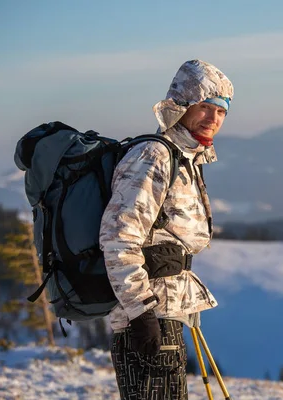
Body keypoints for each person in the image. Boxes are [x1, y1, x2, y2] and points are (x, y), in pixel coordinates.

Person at [99, 59, 234, 400]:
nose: (213, 119)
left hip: (165, 313)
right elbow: (118, 236)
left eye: (221, 111)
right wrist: (141, 311)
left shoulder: (183, 157)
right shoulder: (154, 156)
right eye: (205, 107)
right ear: (183, 105)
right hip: (147, 316)